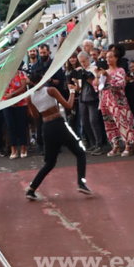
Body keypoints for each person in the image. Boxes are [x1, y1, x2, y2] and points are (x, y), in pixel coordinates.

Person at [25, 71, 91, 200]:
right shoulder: (50, 90)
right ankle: (81, 183)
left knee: (49, 162)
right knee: (80, 152)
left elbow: (35, 116)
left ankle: (31, 189)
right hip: (58, 124)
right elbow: (68, 105)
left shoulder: (29, 97)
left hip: (46, 128)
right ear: (42, 79)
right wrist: (72, 92)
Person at [98, 48, 134, 156]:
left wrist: (108, 77)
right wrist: (98, 78)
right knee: (109, 124)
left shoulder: (120, 70)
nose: (108, 59)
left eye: (110, 57)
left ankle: (128, 145)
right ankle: (115, 146)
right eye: (107, 57)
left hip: (118, 102)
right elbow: (99, 87)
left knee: (123, 123)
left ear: (116, 58)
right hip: (106, 100)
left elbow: (120, 85)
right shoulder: (105, 71)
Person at [76, 52, 107, 155]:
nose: (83, 64)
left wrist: (87, 76)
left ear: (88, 59)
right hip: (82, 98)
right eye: (81, 62)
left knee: (93, 121)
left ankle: (99, 144)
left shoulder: (94, 68)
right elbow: (79, 87)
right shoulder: (80, 70)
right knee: (85, 122)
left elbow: (96, 83)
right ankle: (93, 142)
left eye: (84, 61)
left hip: (93, 98)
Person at [2, 65, 29, 159]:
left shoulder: (21, 74)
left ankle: (23, 148)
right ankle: (13, 149)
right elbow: (0, 88)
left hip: (20, 103)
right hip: (7, 103)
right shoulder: (4, 75)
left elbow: (23, 87)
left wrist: (13, 95)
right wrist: (8, 98)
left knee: (21, 125)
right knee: (10, 126)